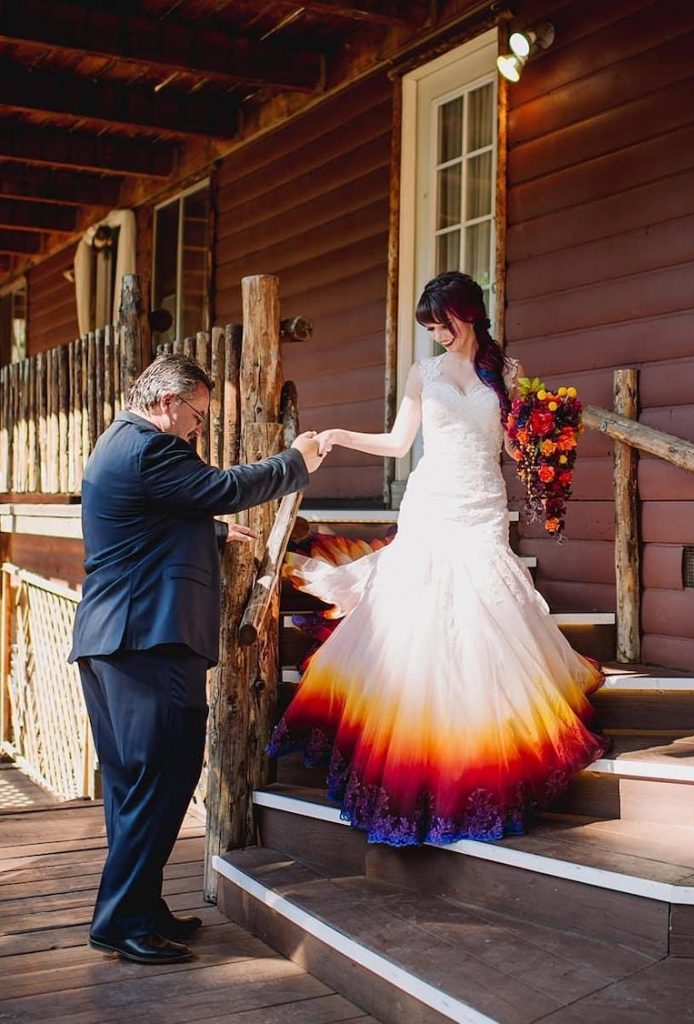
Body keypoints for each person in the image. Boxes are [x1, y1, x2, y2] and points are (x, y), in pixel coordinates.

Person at [268, 271, 606, 846]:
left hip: (483, 503)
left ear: (467, 314)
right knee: (425, 619)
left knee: (488, 614)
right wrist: (342, 435)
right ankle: (420, 749)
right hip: (433, 501)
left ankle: (484, 743)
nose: (437, 335)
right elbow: (400, 444)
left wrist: (545, 442)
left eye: (441, 324)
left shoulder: (505, 372)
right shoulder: (423, 373)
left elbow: (511, 445)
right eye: (428, 327)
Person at [69, 353, 323, 965]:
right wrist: (295, 463)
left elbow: (142, 521)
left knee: (137, 785)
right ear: (165, 403)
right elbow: (224, 488)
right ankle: (119, 920)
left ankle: (142, 906)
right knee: (161, 778)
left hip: (117, 642)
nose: (197, 428)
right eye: (197, 415)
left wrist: (210, 535)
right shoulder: (154, 448)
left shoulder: (118, 443)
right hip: (145, 641)